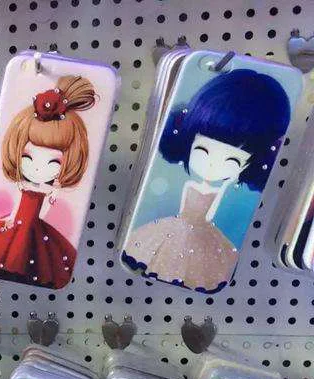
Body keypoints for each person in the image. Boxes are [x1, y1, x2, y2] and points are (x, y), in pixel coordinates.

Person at [122, 69, 292, 292]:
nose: (212, 166)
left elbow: (209, 215)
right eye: (202, 150)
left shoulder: (221, 190)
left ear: (249, 165)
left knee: (199, 268)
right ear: (188, 141)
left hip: (202, 234)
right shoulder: (190, 183)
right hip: (178, 227)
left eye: (232, 161)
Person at [0, 75, 96, 288]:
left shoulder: (48, 191)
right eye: (27, 158)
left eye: (53, 162)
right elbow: (17, 204)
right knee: (4, 252)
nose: (38, 168)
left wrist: (43, 215)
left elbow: (44, 208)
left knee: (33, 258)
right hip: (17, 222)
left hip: (33, 226)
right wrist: (11, 218)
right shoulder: (24, 185)